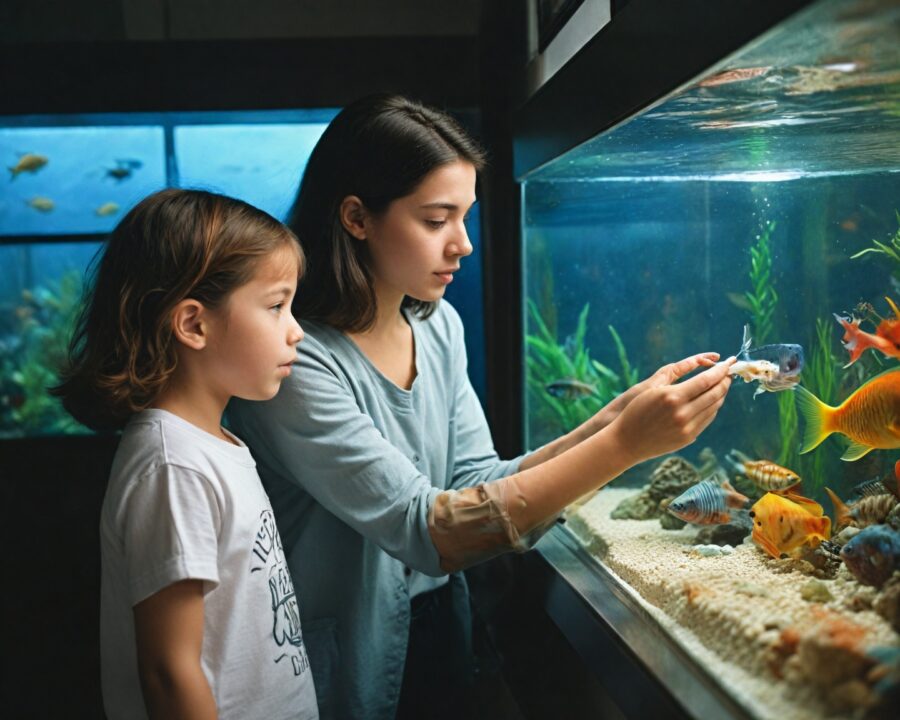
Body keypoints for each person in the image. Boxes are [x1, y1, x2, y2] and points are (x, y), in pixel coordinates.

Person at [228, 94, 735, 720]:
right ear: (357, 217)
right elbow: (428, 530)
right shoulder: (296, 361)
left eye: (465, 218)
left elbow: (475, 483)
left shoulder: (438, 327)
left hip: (447, 630)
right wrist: (625, 444)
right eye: (437, 220)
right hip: (351, 653)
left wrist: (614, 417)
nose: (463, 245)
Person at [54, 189, 318, 720]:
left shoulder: (212, 446)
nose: (298, 331)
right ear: (194, 324)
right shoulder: (173, 466)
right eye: (275, 306)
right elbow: (169, 673)